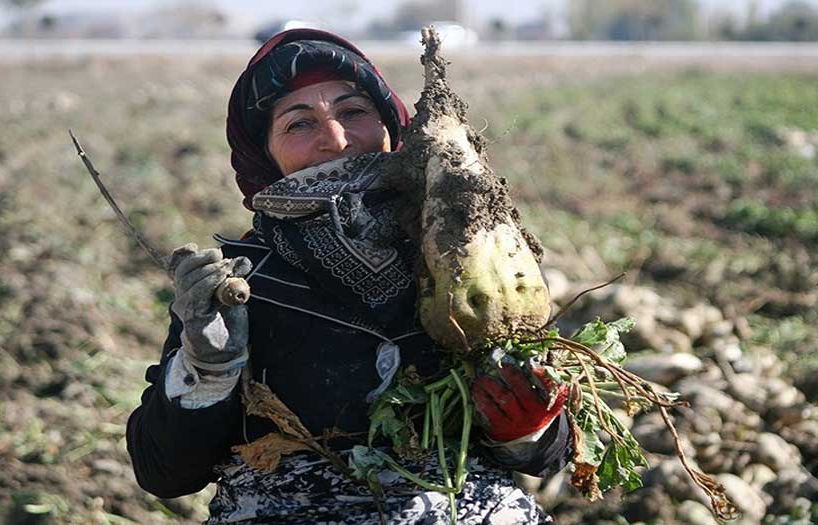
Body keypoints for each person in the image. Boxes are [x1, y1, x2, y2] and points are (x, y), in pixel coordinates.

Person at [127, 29, 573, 525]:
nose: (336, 139)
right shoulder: (238, 287)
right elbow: (164, 473)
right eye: (299, 124)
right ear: (263, 156)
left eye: (354, 112)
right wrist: (207, 370)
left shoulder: (466, 254)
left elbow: (549, 455)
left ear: (393, 126)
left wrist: (526, 429)